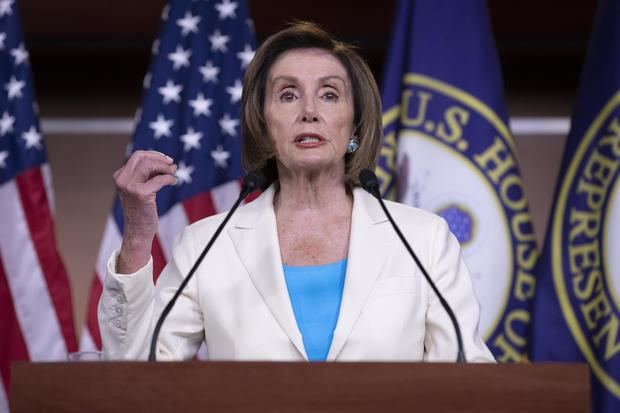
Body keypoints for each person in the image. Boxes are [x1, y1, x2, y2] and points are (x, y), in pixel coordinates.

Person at [98, 21, 495, 362]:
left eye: (329, 94)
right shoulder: (206, 246)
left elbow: (467, 376)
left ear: (354, 128)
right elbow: (135, 372)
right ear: (264, 125)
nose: (309, 110)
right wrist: (136, 235)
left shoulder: (423, 240)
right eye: (288, 94)